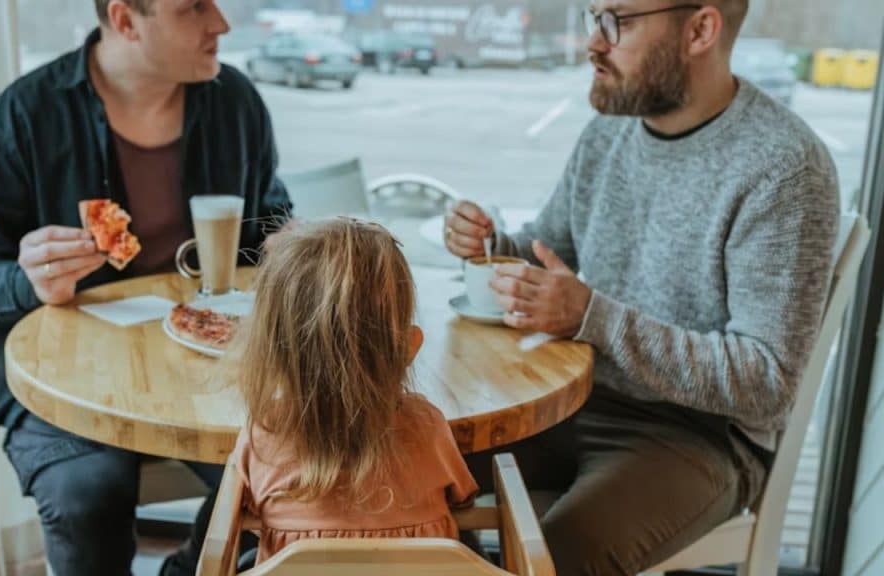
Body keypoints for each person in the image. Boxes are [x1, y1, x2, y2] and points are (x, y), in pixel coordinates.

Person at [446, 0, 839, 573]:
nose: (592, 43)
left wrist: (593, 317)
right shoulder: (608, 134)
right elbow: (546, 248)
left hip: (699, 437)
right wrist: (488, 245)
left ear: (701, 29)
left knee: (556, 557)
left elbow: (767, 381)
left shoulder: (784, 168)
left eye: (618, 21)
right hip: (574, 398)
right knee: (405, 471)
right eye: (593, 16)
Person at [0, 0, 291, 573]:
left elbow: (269, 220)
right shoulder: (26, 113)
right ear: (127, 20)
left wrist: (288, 244)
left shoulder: (236, 101)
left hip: (216, 365)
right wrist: (29, 279)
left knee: (286, 480)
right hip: (72, 379)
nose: (221, 24)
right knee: (86, 499)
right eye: (193, 9)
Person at [228, 218, 478, 564]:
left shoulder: (265, 434)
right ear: (410, 346)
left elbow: (250, 509)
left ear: (272, 349)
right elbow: (462, 499)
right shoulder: (427, 426)